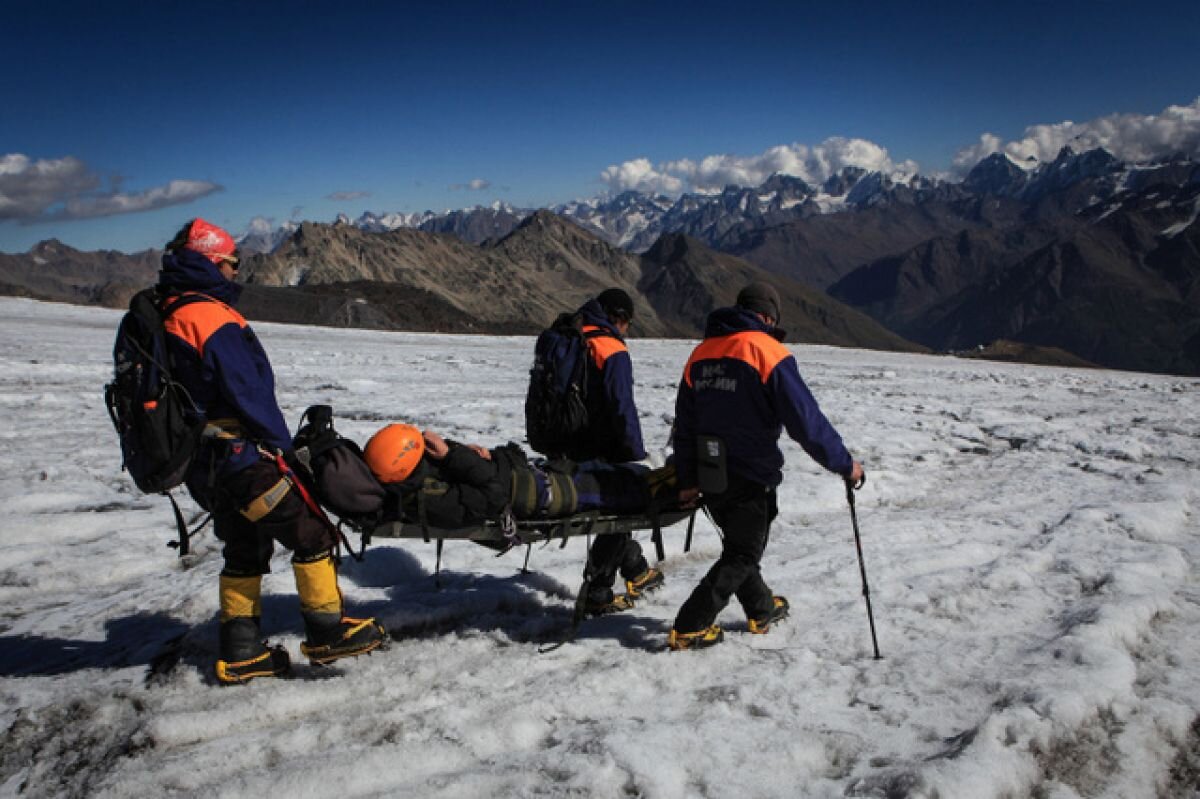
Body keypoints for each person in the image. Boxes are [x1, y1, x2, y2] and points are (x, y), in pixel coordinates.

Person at [158, 219, 385, 684]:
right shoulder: (209, 316)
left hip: (203, 464)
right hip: (241, 458)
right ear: (210, 261)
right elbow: (248, 393)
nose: (235, 273)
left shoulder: (166, 309)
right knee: (313, 532)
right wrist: (283, 453)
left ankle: (241, 651)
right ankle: (326, 633)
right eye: (229, 263)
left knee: (245, 547)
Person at [668, 282, 865, 651]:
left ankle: (761, 608)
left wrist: (688, 478)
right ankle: (690, 625)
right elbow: (806, 420)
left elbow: (685, 424)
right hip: (750, 471)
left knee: (739, 544)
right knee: (743, 553)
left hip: (711, 472)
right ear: (768, 316)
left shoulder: (701, 352)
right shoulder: (766, 351)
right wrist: (844, 464)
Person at [538, 288, 664, 616]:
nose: (627, 331)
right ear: (618, 319)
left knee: (614, 509)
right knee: (625, 502)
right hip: (597, 448)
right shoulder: (610, 349)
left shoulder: (569, 336)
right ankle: (598, 589)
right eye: (628, 324)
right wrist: (637, 454)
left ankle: (635, 568)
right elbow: (623, 407)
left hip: (562, 443)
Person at [362, 424, 653, 530]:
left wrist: (458, 452)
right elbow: (493, 495)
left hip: (528, 474)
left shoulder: (419, 473)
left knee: (612, 471)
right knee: (625, 487)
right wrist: (454, 455)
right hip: (535, 494)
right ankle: (667, 489)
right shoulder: (435, 499)